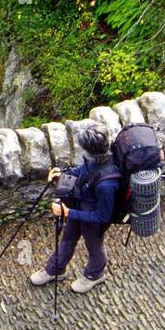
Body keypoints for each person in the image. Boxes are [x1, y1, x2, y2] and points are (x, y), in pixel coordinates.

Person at [29, 123, 119, 294]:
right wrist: (63, 173)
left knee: (94, 245)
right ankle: (55, 270)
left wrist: (68, 212)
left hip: (93, 219)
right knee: (68, 238)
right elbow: (84, 170)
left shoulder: (107, 185)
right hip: (80, 205)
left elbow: (103, 216)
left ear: (89, 149)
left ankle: (95, 274)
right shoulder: (97, 157)